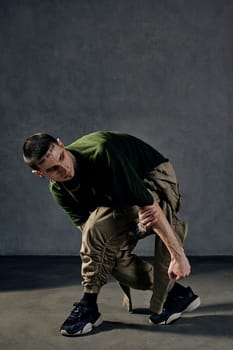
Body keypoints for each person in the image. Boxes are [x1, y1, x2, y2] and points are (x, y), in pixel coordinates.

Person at [22, 130, 200, 336]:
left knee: (100, 226)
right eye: (52, 169)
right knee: (111, 258)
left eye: (61, 157)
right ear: (40, 174)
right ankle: (177, 295)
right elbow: (90, 234)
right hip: (117, 202)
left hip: (153, 179)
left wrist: (178, 256)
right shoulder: (60, 191)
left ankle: (88, 304)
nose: (64, 169)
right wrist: (108, 255)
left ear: (62, 144)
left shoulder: (102, 152)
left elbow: (149, 207)